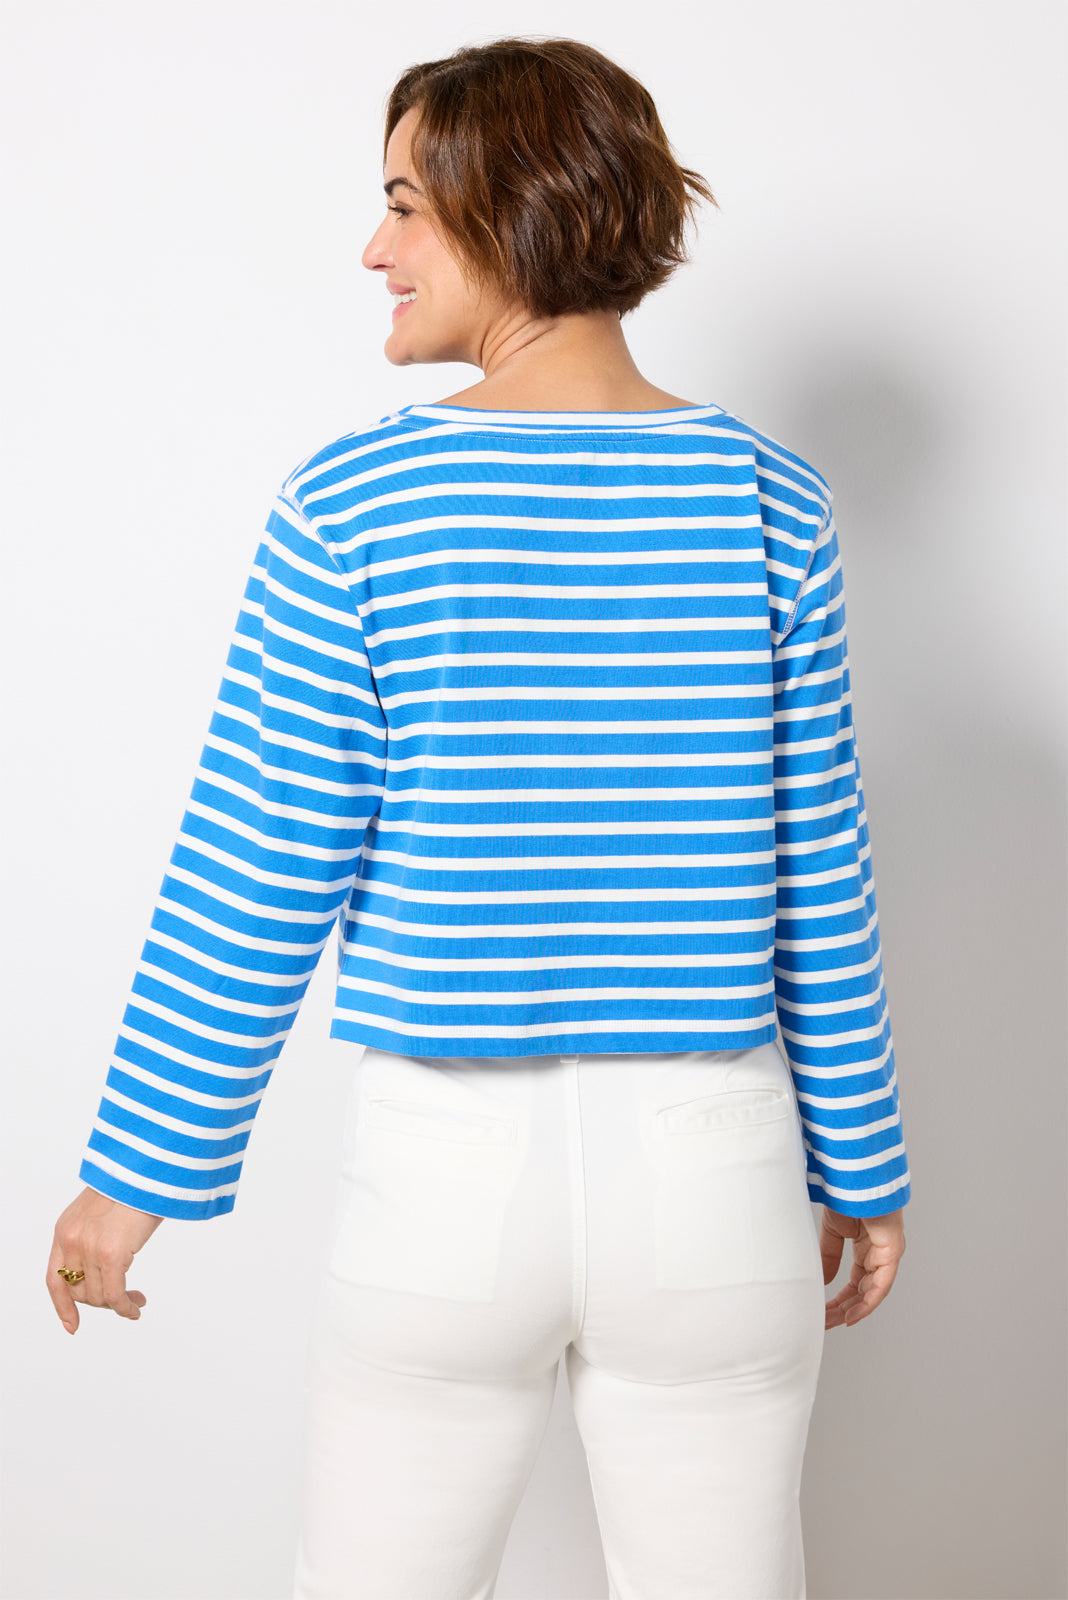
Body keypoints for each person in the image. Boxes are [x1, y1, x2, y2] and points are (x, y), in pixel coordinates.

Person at [47, 35, 910, 1600]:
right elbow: (819, 877)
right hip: (714, 1175)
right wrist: (862, 1163)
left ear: (513, 207)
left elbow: (256, 866)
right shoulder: (771, 500)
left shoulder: (355, 508)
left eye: (402, 203)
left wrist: (135, 1176)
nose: (372, 249)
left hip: (447, 1181)